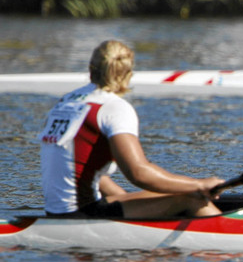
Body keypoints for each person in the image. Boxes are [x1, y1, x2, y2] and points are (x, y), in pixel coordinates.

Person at [37, 40, 223, 219]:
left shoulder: (66, 102)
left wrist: (130, 202)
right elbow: (139, 173)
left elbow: (85, 171)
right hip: (83, 214)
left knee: (165, 194)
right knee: (192, 199)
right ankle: (236, 237)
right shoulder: (113, 107)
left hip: (57, 212)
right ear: (128, 74)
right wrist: (199, 185)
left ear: (91, 69)